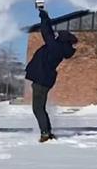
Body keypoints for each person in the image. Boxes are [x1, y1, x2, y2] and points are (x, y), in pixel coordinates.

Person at [25, 8, 78, 142]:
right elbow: (49, 33)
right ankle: (47, 131)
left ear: (61, 39)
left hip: (41, 79)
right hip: (46, 80)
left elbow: (46, 31)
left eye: (58, 36)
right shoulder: (61, 48)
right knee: (41, 108)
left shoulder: (55, 46)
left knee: (37, 109)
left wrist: (44, 16)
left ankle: (45, 133)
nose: (56, 36)